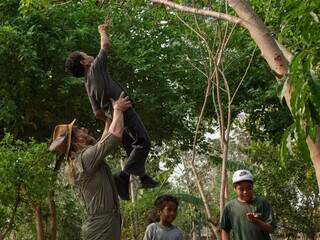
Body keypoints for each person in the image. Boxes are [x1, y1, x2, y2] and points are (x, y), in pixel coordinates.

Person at [64, 22, 158, 200]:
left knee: (132, 146)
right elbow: (105, 46)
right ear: (85, 62)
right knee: (144, 142)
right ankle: (122, 176)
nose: (90, 55)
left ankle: (142, 177)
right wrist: (102, 31)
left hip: (116, 116)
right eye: (86, 55)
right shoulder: (95, 68)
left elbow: (97, 113)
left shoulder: (88, 85)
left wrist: (111, 117)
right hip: (125, 110)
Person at [49, 92, 131, 240]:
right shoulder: (85, 159)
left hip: (102, 225)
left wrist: (107, 120)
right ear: (75, 140)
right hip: (101, 227)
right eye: (79, 129)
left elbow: (103, 141)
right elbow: (114, 136)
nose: (85, 129)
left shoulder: (82, 159)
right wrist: (118, 109)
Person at [219, 170, 277, 240]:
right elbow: (225, 230)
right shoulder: (229, 207)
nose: (245, 192)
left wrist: (257, 221)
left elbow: (271, 229)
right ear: (235, 189)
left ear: (252, 187)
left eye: (249, 188)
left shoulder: (263, 203)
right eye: (241, 189)